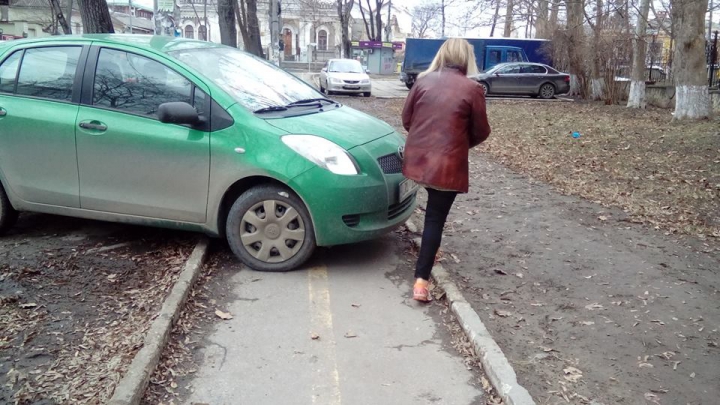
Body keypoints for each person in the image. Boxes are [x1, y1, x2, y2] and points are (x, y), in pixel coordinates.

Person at [401, 38, 492, 302]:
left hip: (418, 160)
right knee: (434, 219)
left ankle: (431, 253)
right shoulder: (472, 88)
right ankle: (421, 281)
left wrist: (422, 141)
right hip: (447, 164)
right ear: (466, 59)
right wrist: (459, 144)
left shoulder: (422, 81)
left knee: (431, 215)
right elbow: (481, 131)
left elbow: (407, 119)